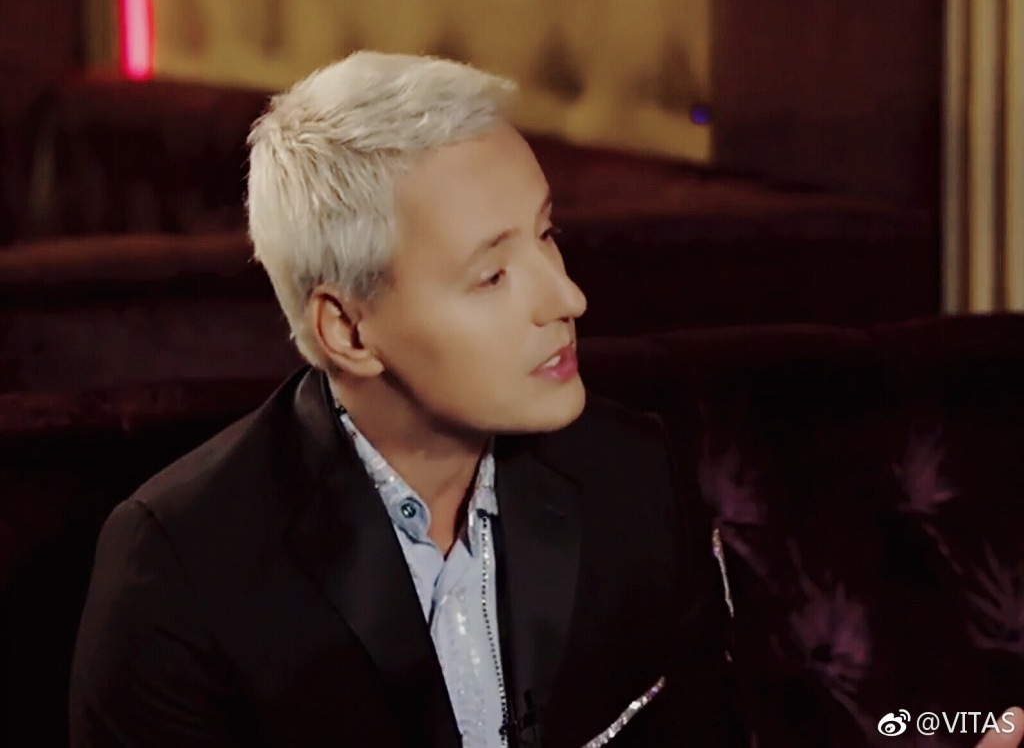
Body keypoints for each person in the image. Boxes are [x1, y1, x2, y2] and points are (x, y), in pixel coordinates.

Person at [67, 52, 1023, 748]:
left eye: (548, 235)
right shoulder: (177, 570)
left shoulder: (630, 473)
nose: (567, 298)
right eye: (491, 275)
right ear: (347, 329)